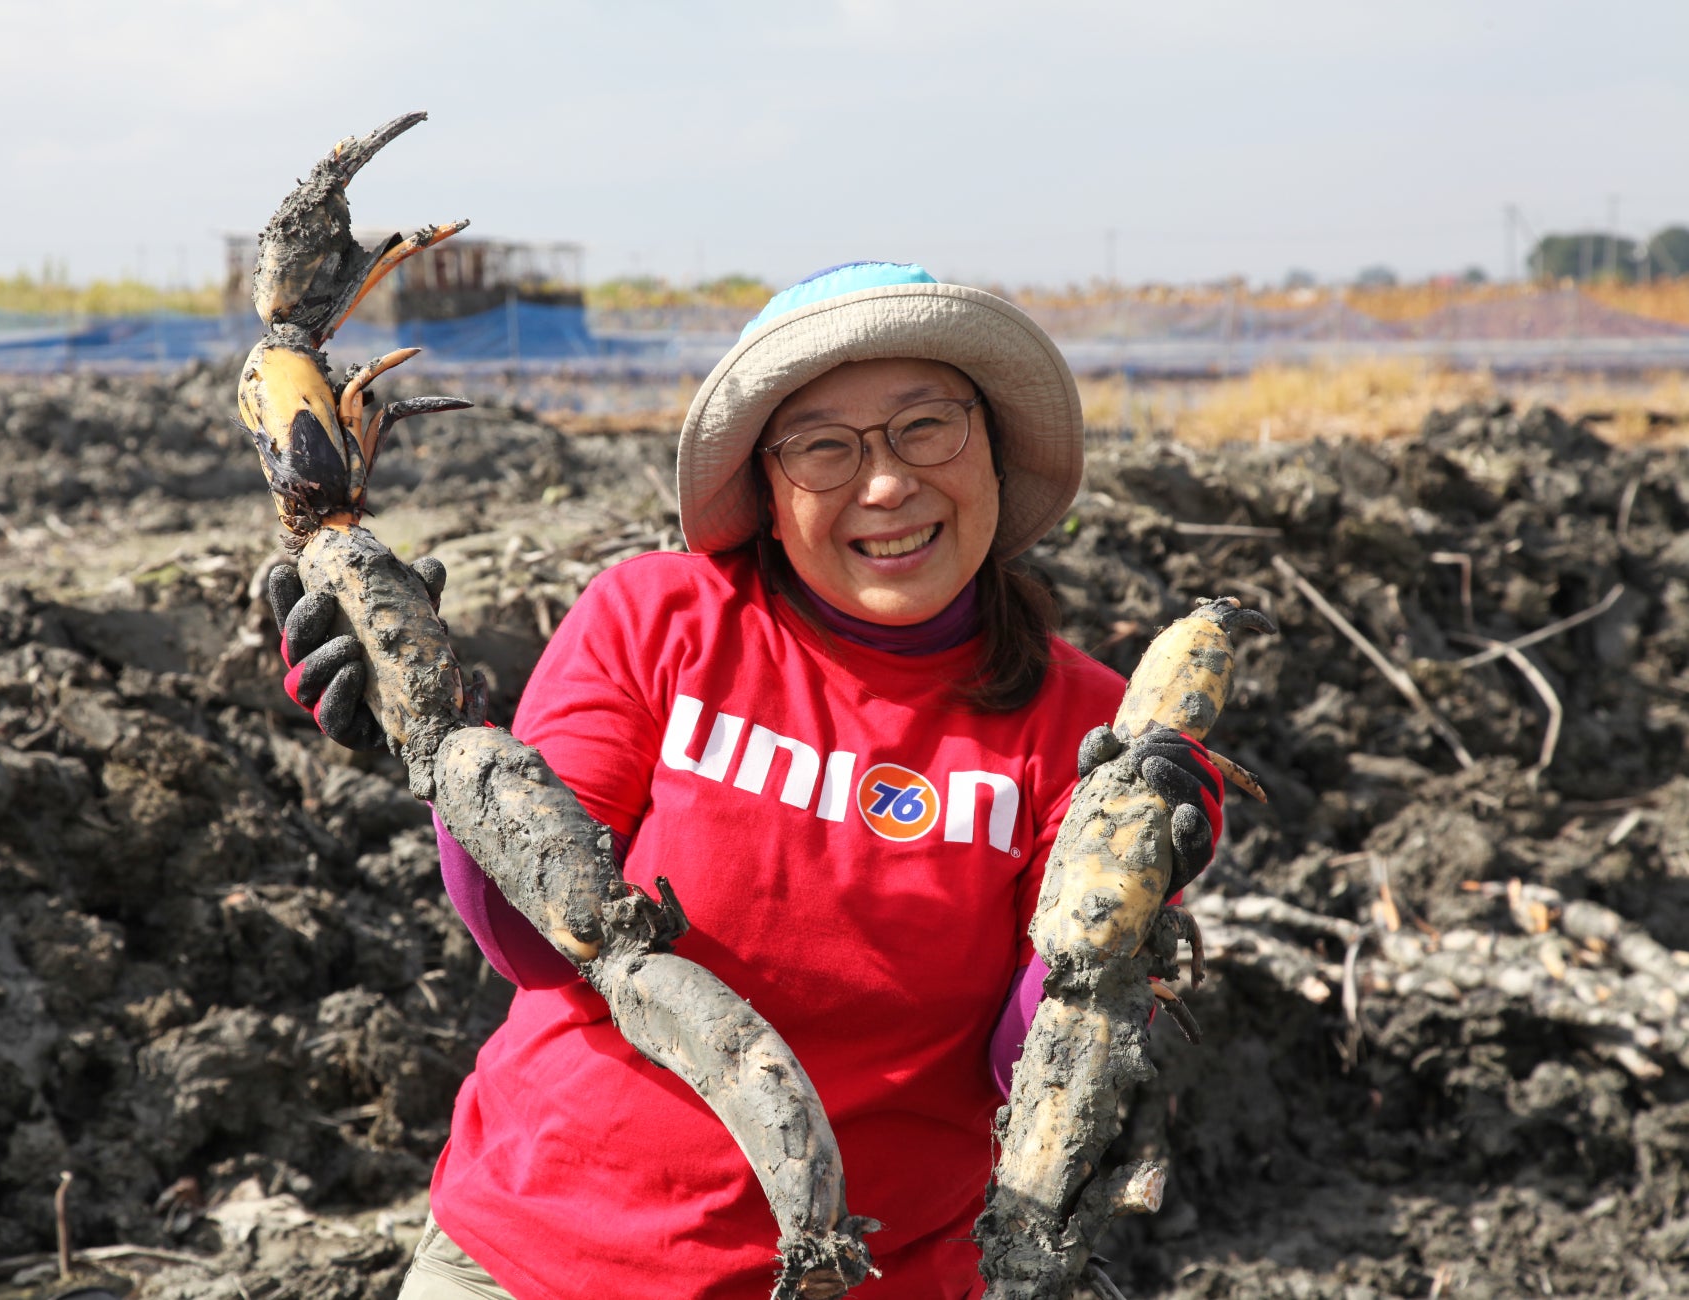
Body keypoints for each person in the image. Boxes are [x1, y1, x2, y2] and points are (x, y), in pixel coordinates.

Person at [272, 262, 1223, 1299]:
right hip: (538, 1257)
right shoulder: (654, 621)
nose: (887, 483)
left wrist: (1123, 913)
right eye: (824, 447)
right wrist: (441, 747)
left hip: (869, 1277)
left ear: (992, 449)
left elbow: (1025, 1068)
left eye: (926, 427)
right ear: (768, 493)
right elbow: (533, 945)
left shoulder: (1085, 727)